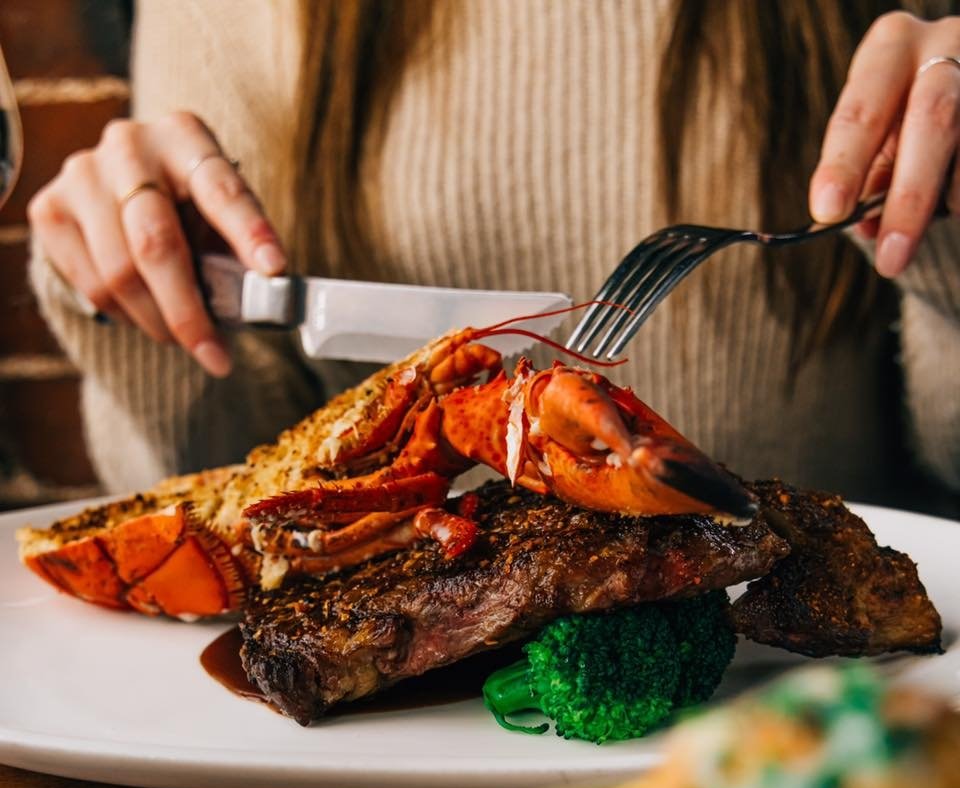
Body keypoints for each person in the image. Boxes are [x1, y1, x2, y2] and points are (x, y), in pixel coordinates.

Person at [26, 1, 960, 505]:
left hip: (827, 718)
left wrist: (947, 246)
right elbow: (233, 480)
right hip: (361, 765)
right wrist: (139, 295)